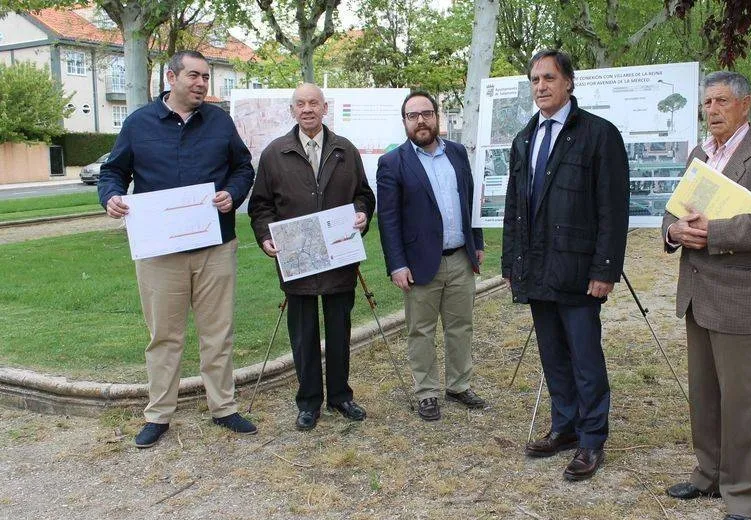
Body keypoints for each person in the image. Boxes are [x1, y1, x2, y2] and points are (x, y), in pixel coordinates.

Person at [661, 71, 751, 520]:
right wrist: (673, 231)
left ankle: (742, 494)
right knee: (704, 395)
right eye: (707, 103)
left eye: (721, 101)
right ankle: (708, 473)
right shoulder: (700, 155)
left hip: (743, 299)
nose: (712, 110)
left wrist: (713, 233)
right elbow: (675, 209)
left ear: (745, 104)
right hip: (698, 295)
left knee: (741, 403)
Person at [97, 50, 257, 448]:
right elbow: (113, 171)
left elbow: (243, 168)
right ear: (171, 78)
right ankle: (159, 415)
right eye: (194, 76)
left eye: (205, 77)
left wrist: (233, 194)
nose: (202, 83)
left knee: (217, 333)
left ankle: (223, 407)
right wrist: (111, 197)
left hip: (215, 246)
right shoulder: (138, 124)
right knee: (164, 336)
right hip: (159, 252)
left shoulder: (219, 121)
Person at [501, 50, 629, 481]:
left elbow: (613, 209)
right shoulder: (524, 138)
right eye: (535, 79)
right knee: (553, 356)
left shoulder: (599, 134)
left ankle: (592, 439)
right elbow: (515, 206)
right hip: (537, 269)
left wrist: (605, 269)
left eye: (549, 78)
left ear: (569, 82)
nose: (541, 86)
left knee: (585, 359)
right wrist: (511, 261)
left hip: (578, 272)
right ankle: (566, 426)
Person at [248, 83, 375, 430]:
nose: (307, 109)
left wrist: (362, 214)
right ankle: (308, 403)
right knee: (303, 336)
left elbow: (364, 195)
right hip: (297, 261)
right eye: (301, 104)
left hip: (339, 260)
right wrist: (265, 237)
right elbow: (260, 206)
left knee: (339, 332)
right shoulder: (274, 154)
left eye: (314, 103)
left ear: (324, 108)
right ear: (292, 110)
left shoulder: (345, 150)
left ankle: (340, 397)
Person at [376, 90, 488, 421]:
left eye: (426, 113)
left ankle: (458, 385)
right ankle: (426, 392)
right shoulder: (392, 163)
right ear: (405, 122)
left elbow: (469, 200)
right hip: (419, 264)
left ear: (436, 116)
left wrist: (477, 241)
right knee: (421, 331)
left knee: (461, 326)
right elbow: (388, 220)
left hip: (460, 259)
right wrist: (397, 264)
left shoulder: (457, 153)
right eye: (413, 116)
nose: (420, 121)